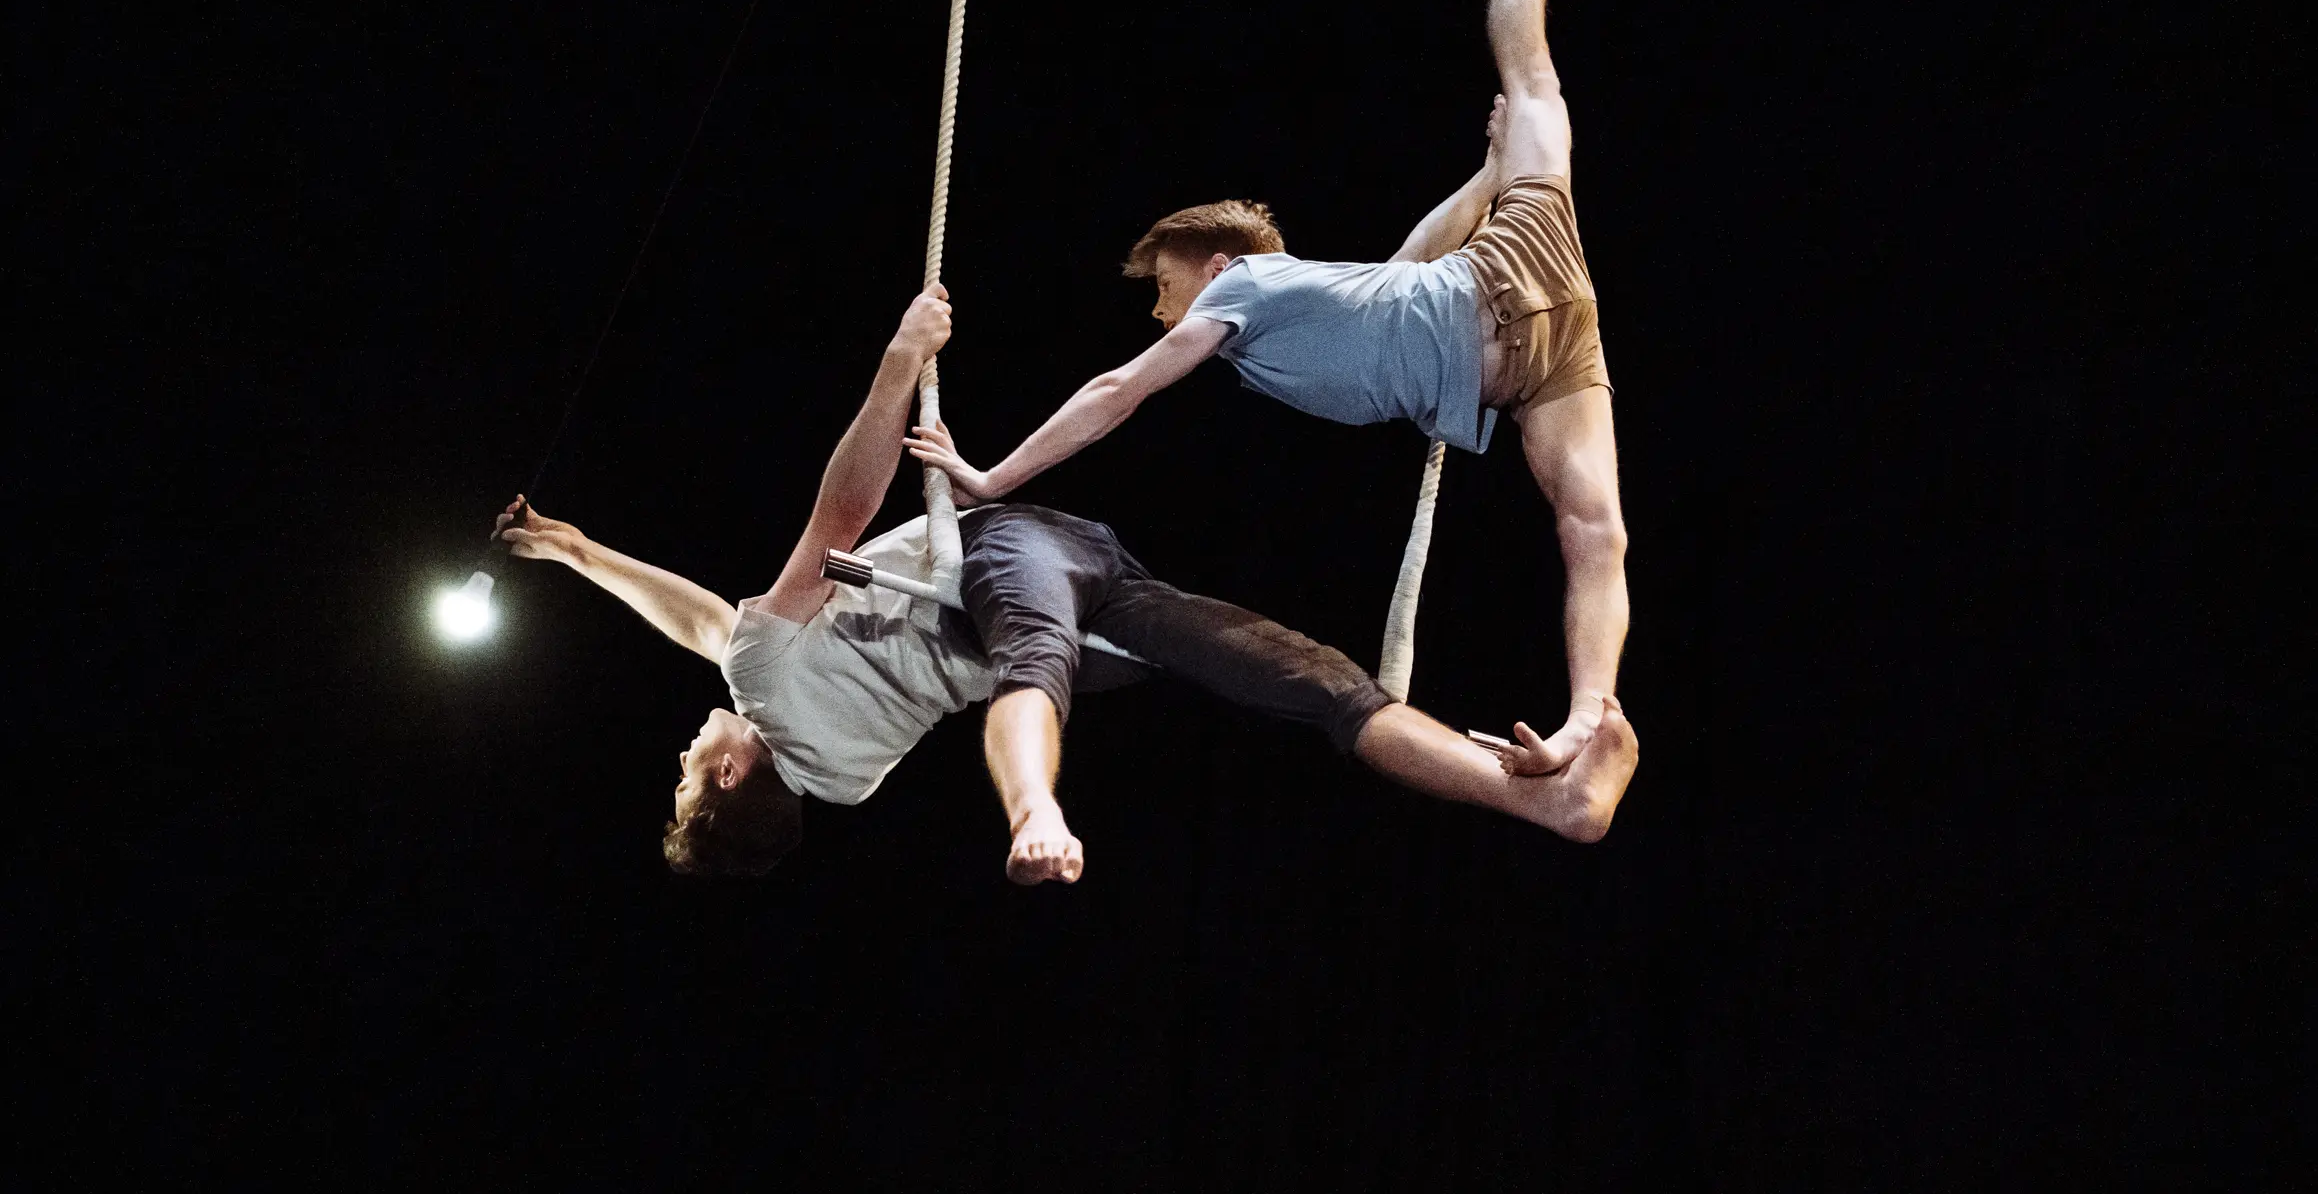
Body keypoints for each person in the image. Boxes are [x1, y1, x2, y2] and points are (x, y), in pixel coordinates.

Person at [496, 286, 1638, 882]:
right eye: (690, 781)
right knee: (1028, 653)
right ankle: (1035, 805)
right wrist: (900, 360)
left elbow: (706, 624)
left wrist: (584, 554)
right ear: (734, 768)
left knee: (1313, 681)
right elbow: (835, 519)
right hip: (1010, 568)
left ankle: (1531, 796)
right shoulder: (763, 675)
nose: (683, 756)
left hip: (1086, 616)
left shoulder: (838, 776)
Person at [907, 0, 1634, 778]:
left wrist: (989, 475)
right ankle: (1585, 720)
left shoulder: (1241, 291)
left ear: (1216, 267)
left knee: (1533, 82)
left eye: (1165, 287)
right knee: (1592, 526)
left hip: (1509, 271)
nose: (1164, 311)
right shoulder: (1299, 312)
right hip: (1540, 356)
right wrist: (1486, 179)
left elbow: (1118, 388)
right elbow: (1399, 271)